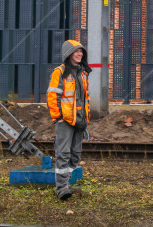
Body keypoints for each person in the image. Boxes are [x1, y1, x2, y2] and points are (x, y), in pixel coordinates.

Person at [47, 39, 91, 200]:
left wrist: (85, 119)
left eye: (81, 51)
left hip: (79, 121)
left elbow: (85, 99)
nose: (80, 54)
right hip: (65, 120)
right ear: (68, 54)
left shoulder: (83, 73)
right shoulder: (60, 72)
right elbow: (53, 96)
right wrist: (58, 117)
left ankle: (67, 183)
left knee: (75, 155)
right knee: (63, 153)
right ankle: (62, 188)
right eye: (76, 51)